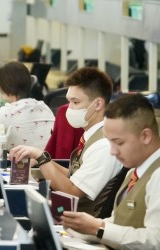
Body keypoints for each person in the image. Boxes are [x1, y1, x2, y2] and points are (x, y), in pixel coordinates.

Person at [61, 93, 160, 250]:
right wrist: (73, 229)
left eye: (119, 143)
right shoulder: (135, 172)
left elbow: (159, 243)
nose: (113, 151)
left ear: (145, 136)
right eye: (110, 142)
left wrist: (97, 228)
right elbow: (119, 225)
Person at [10, 67, 124, 219]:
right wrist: (41, 157)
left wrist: (41, 158)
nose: (68, 108)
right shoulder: (90, 136)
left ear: (97, 104)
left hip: (80, 225)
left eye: (75, 102)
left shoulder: (104, 146)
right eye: (69, 101)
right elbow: (73, 175)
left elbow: (72, 191)